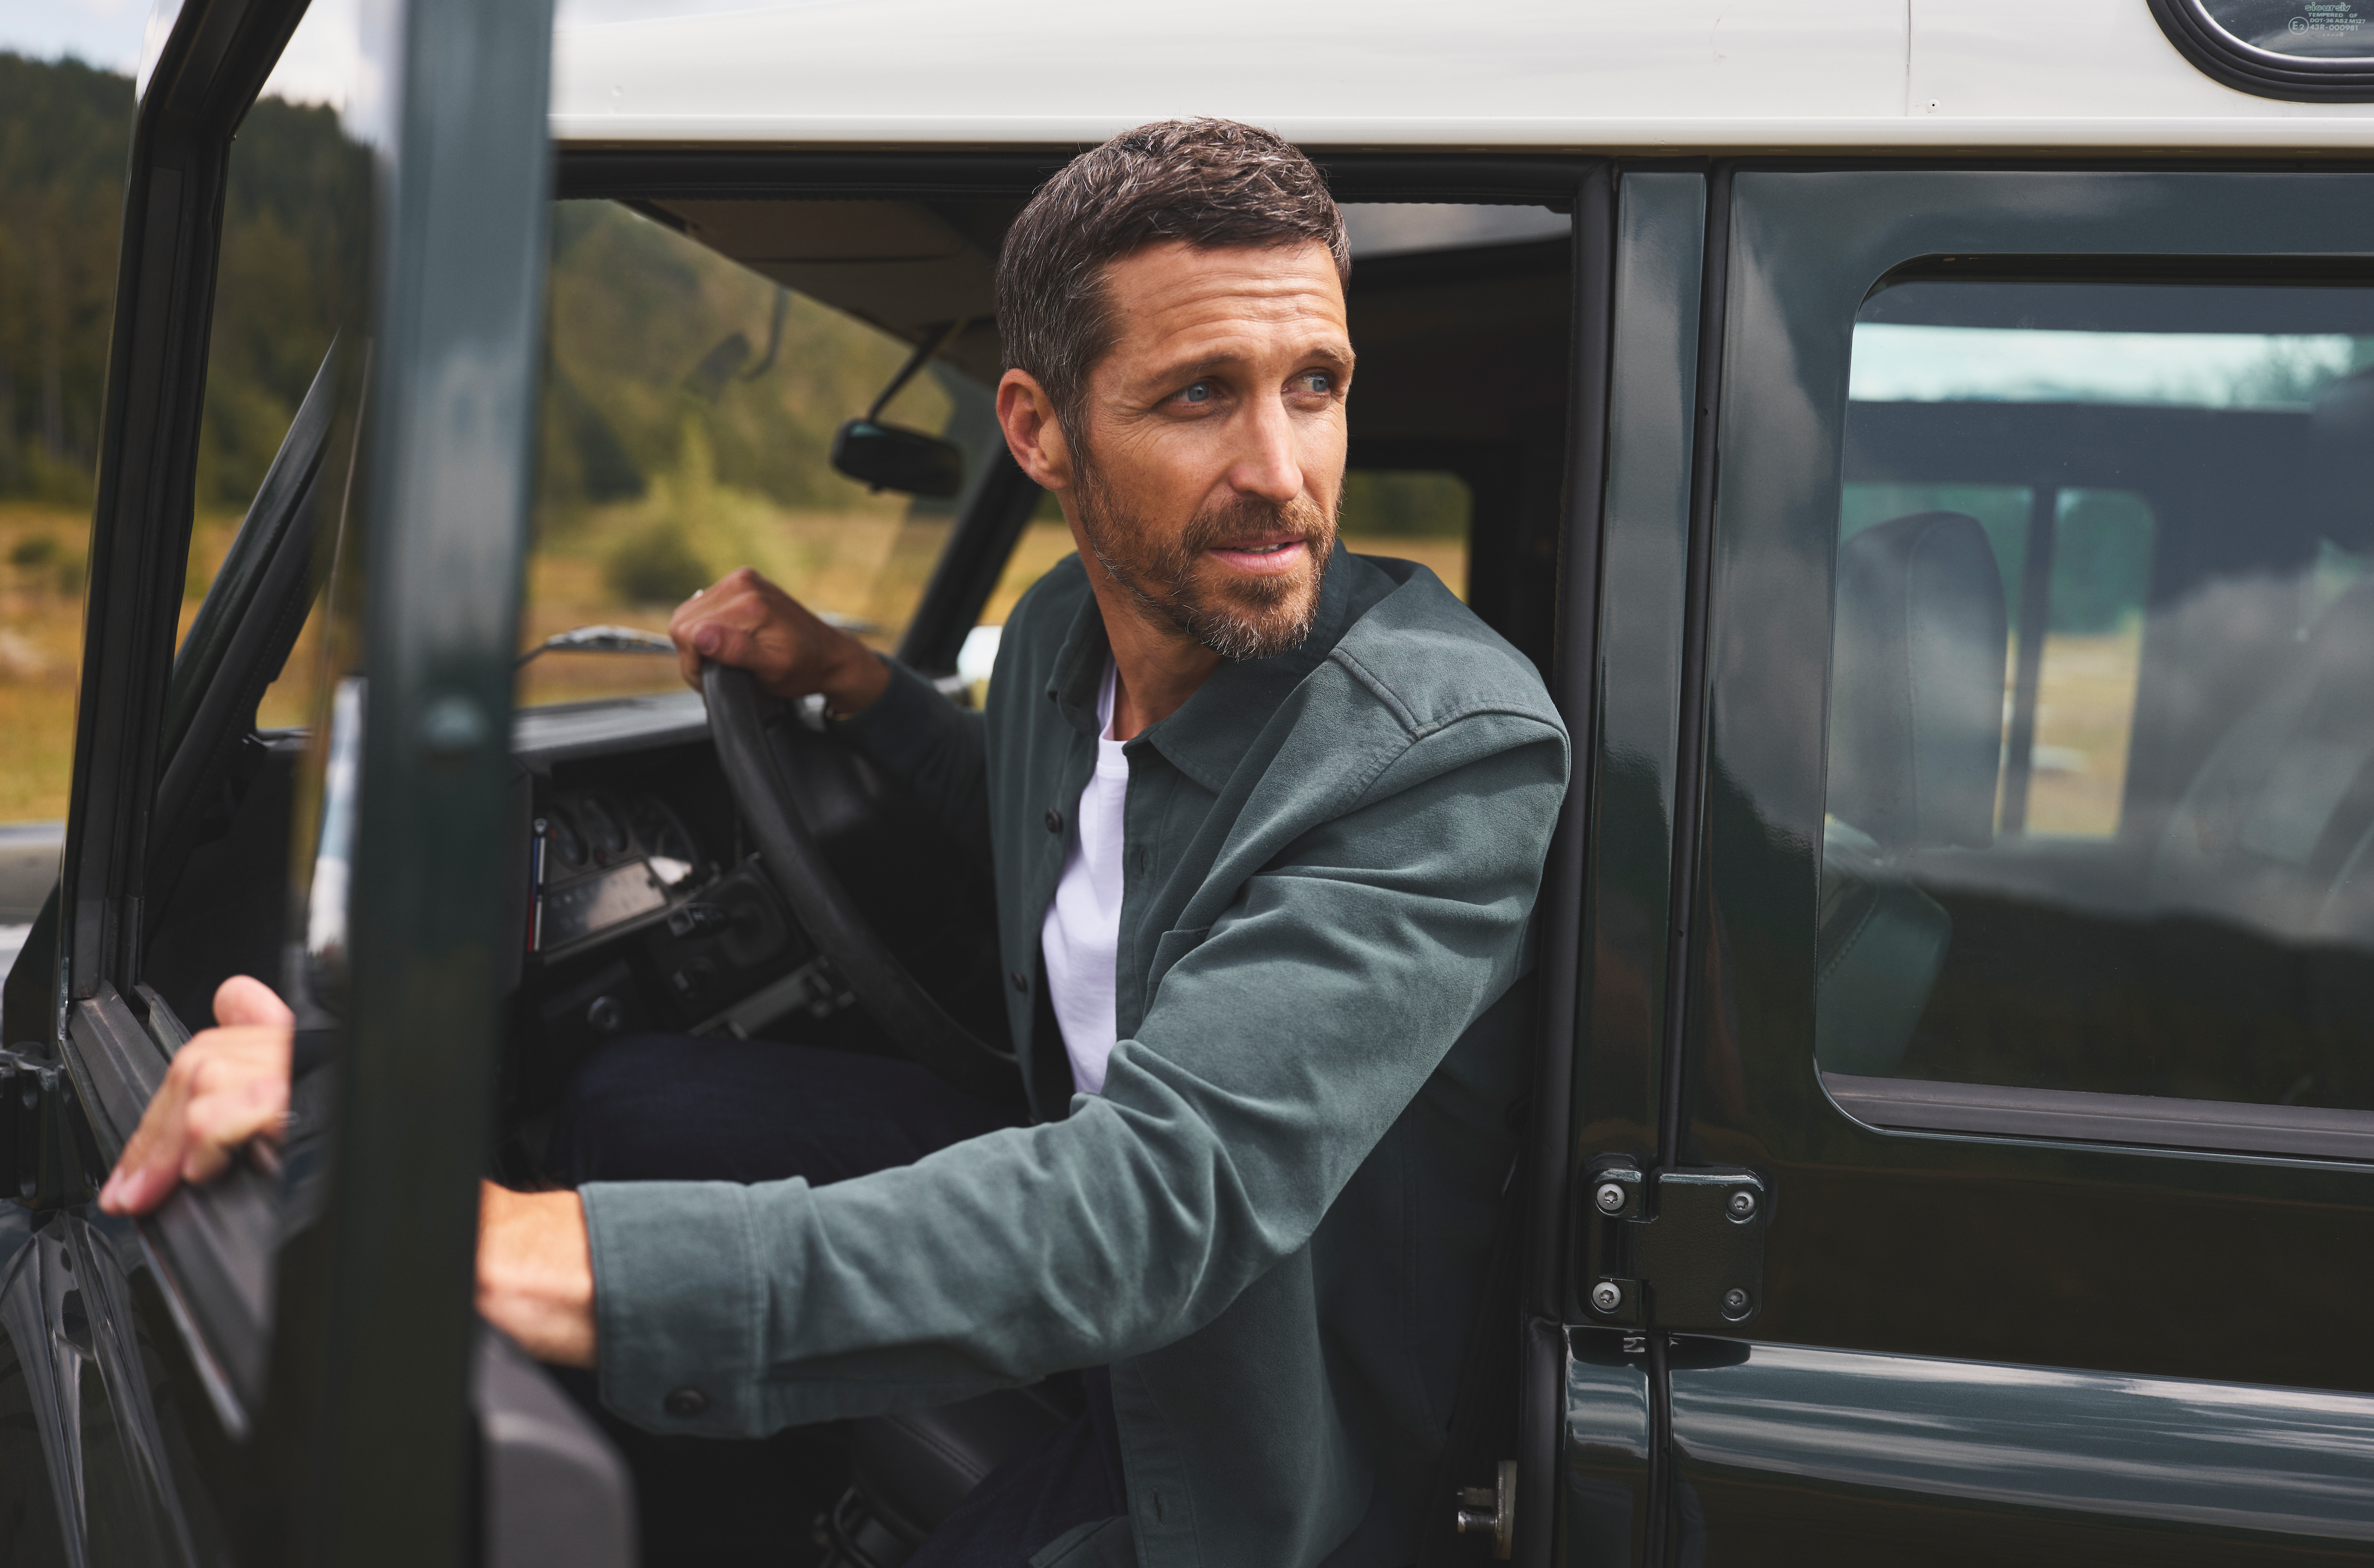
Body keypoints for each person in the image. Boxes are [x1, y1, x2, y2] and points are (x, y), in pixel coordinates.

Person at [101, 119, 1569, 1567]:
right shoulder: (1069, 624)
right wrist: (856, 685)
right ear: (1037, 430)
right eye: (1200, 396)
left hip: (1244, 1417)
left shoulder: (1443, 753)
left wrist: (483, 1241)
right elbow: (1041, 805)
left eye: (1315, 386)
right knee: (628, 1105)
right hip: (1061, 1167)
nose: (1281, 470)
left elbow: (1152, 1208)